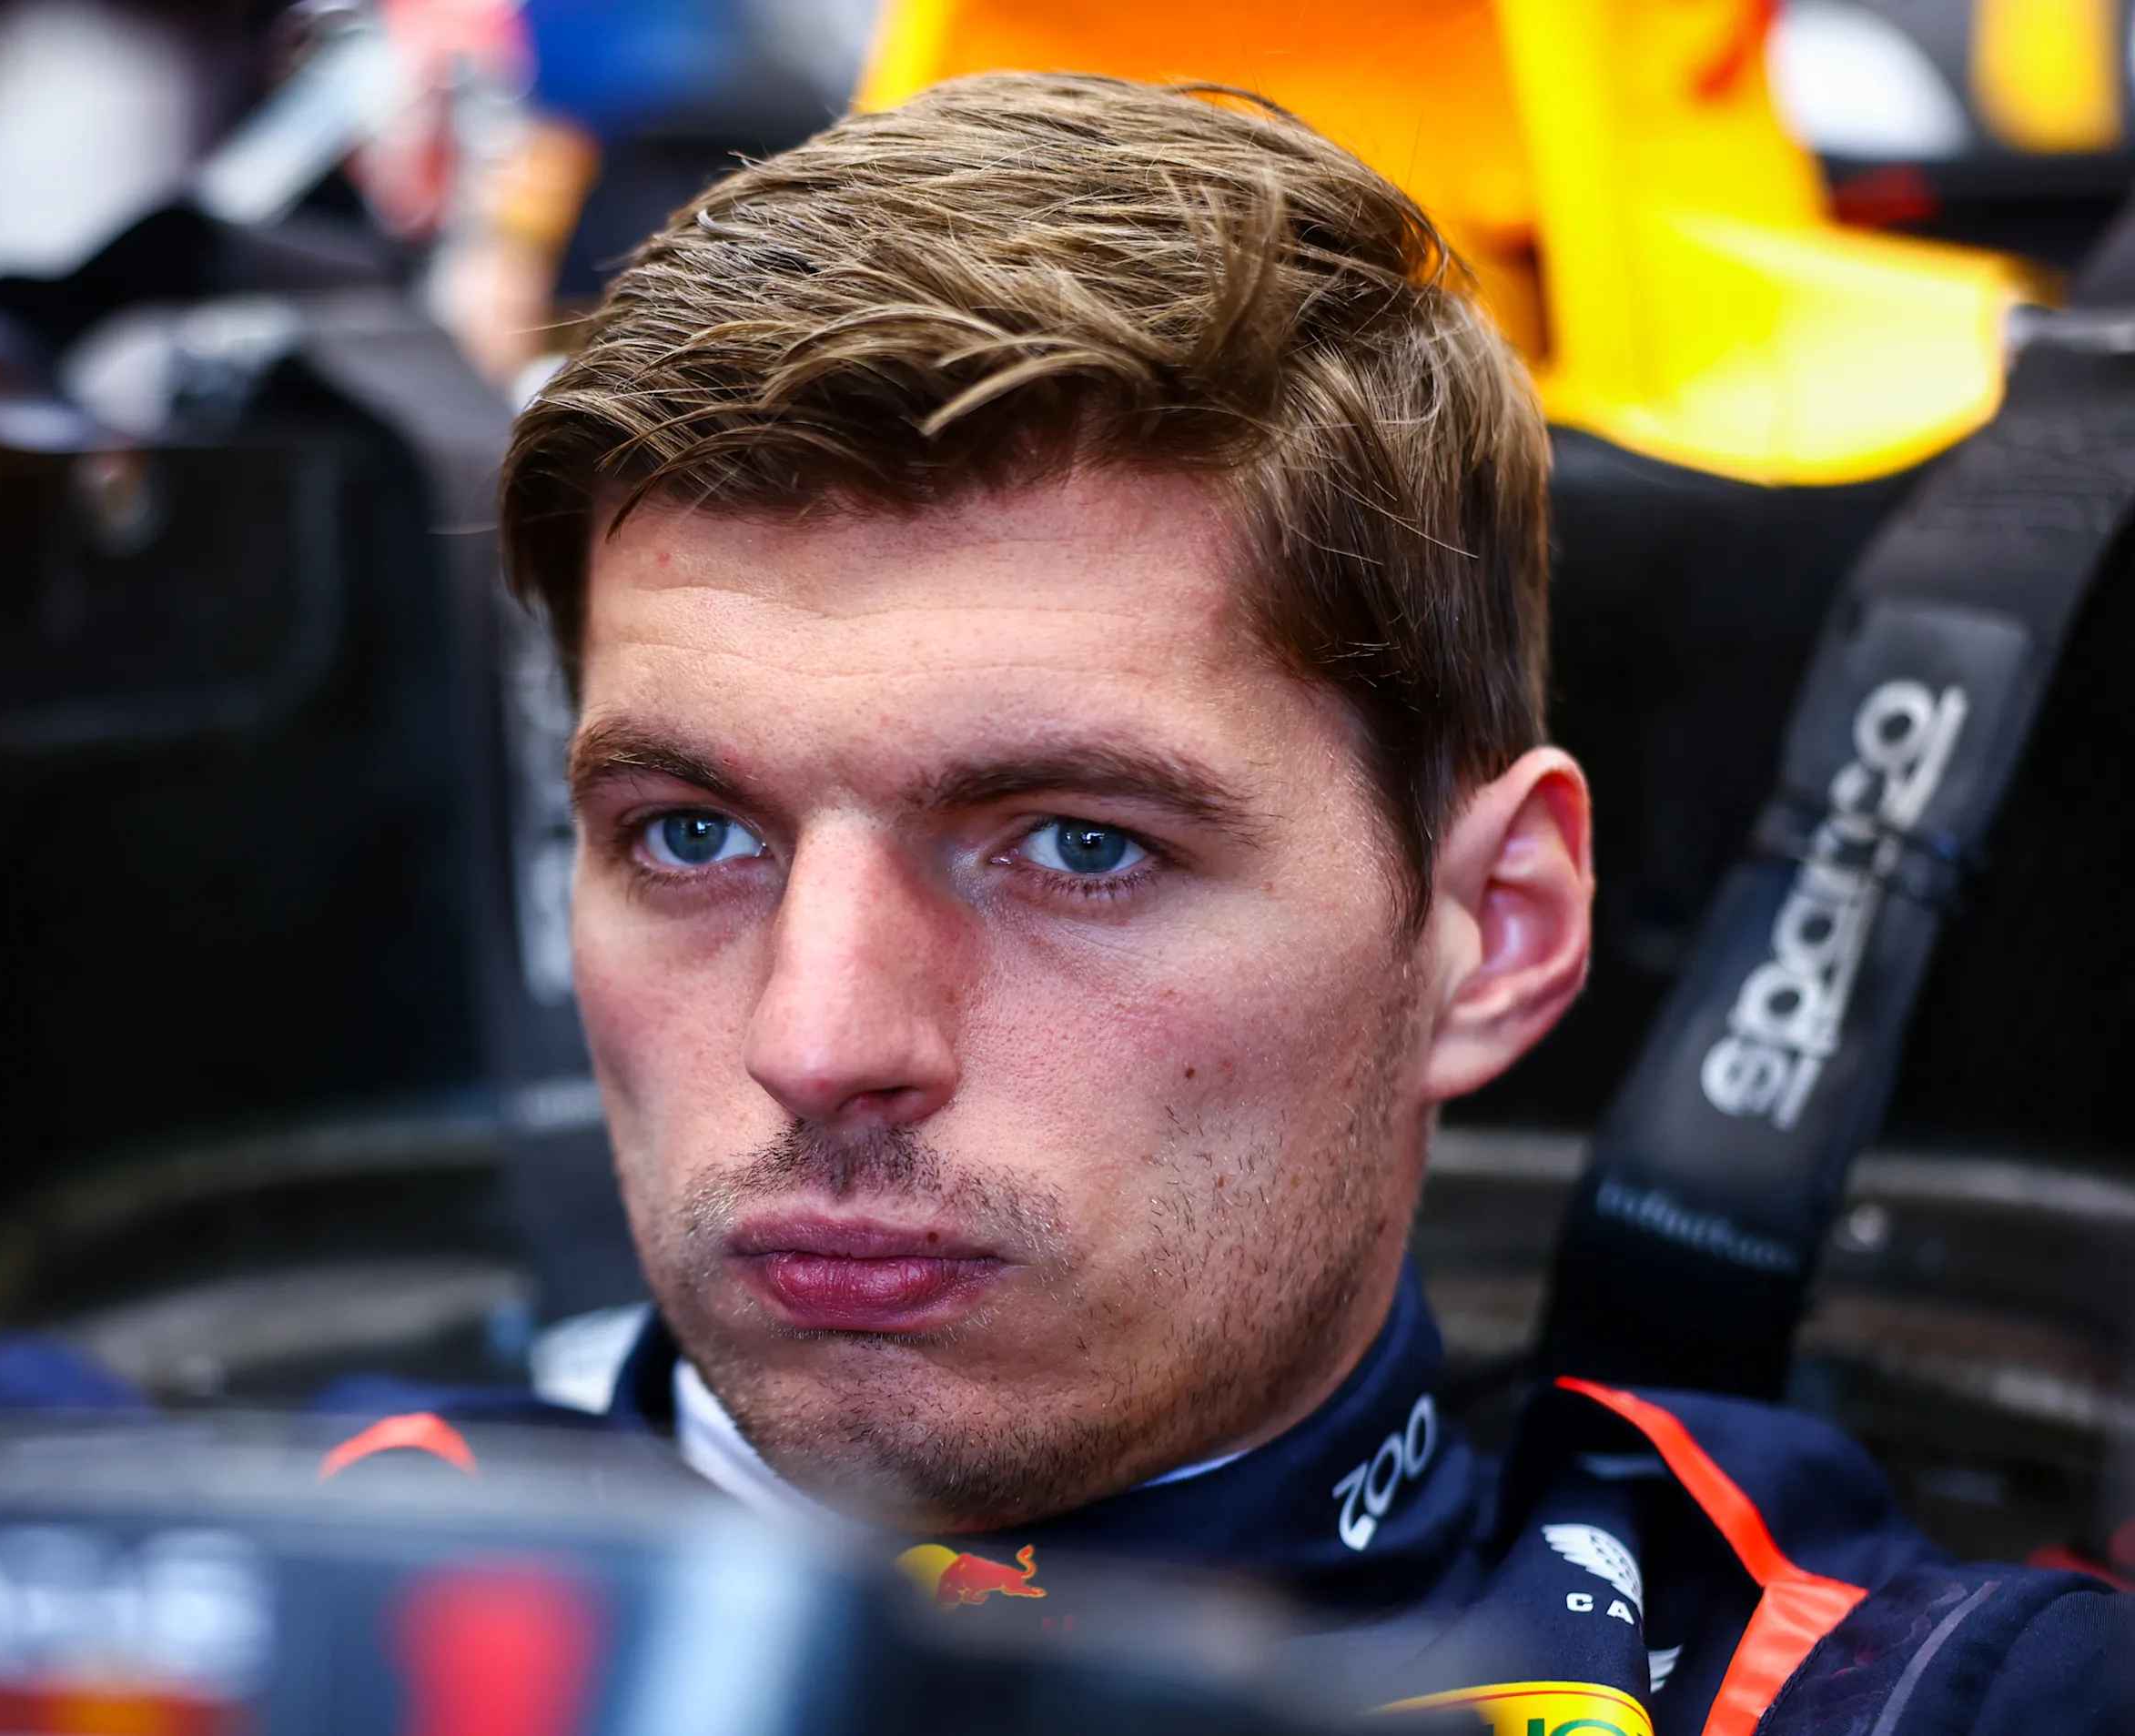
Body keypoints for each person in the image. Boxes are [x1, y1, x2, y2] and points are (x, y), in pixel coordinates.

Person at [414, 70, 2119, 1736]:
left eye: (1080, 845)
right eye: (693, 836)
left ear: (1493, 931)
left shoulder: (1895, 1695)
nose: (818, 1041)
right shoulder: (222, 1583)